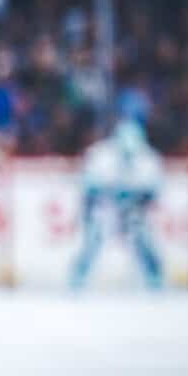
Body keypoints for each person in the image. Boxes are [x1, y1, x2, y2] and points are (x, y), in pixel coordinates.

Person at [70, 119, 164, 289]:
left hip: (134, 209)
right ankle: (77, 278)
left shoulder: (148, 158)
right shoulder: (100, 155)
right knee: (93, 239)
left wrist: (133, 196)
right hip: (105, 207)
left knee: (143, 239)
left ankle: (154, 279)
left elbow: (154, 190)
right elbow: (87, 185)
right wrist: (110, 192)